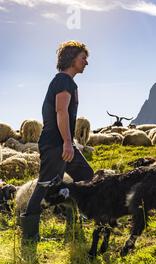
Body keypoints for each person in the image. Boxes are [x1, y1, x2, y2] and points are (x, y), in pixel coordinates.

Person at [21, 40, 94, 242]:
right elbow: (61, 112)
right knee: (45, 185)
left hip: (61, 142)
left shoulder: (69, 83)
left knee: (87, 176)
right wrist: (68, 143)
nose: (86, 62)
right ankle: (29, 235)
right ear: (72, 59)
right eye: (83, 58)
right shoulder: (63, 81)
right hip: (56, 143)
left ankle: (72, 219)